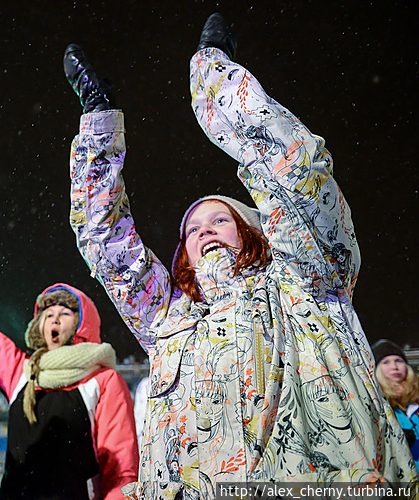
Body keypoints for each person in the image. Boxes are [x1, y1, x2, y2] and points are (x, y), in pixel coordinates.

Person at [63, 13, 418, 499]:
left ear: (255, 229)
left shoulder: (307, 281)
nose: (203, 230)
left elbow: (297, 170)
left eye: (220, 219)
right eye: (191, 228)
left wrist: (213, 75)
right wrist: (98, 128)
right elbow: (104, 241)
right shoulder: (169, 323)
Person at [0, 245, 139, 500]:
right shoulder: (22, 372)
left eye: (65, 313)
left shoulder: (102, 380)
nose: (55, 320)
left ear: (82, 322)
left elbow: (121, 466)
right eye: (48, 314)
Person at [372, 339, 419, 469]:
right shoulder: (377, 403)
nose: (394, 366)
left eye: (399, 361)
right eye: (386, 362)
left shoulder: (416, 400)